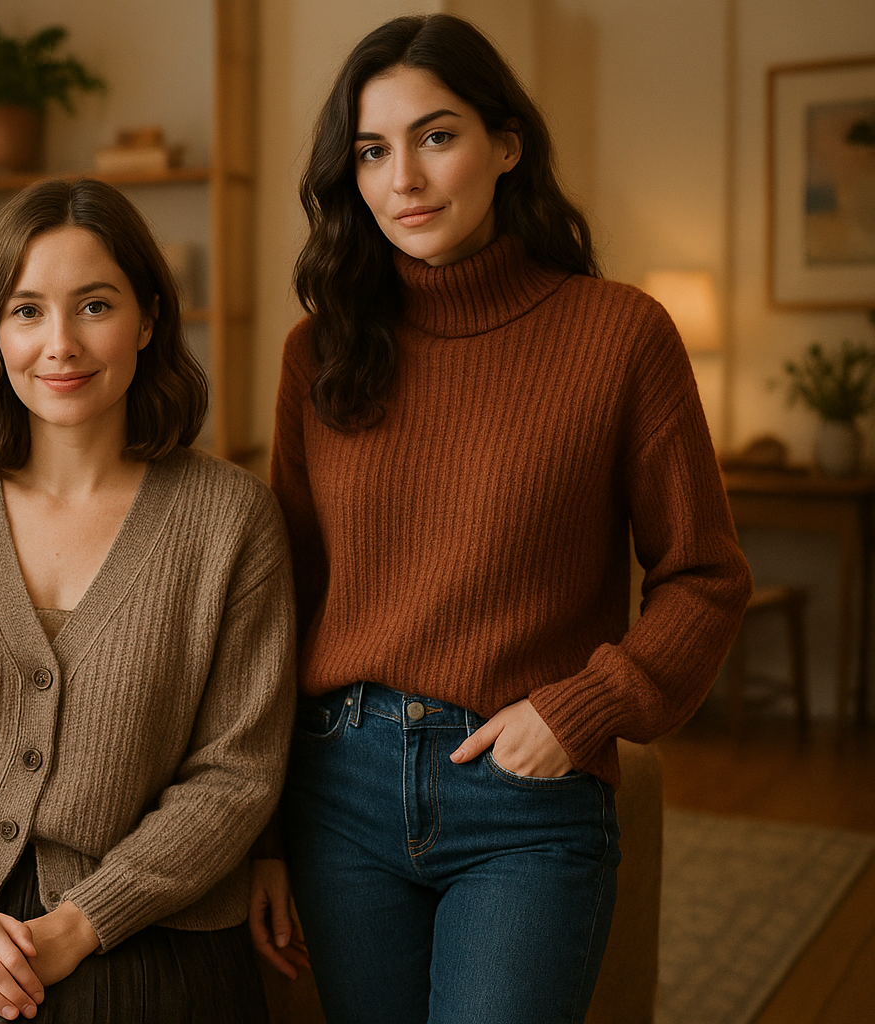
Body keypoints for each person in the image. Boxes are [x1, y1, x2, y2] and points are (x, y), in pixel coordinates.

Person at [247, 14, 752, 1024]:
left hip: (524, 798)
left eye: (436, 136)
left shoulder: (620, 335)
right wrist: (261, 833)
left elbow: (705, 577)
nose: (405, 179)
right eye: (372, 151)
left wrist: (586, 709)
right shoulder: (320, 353)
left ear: (506, 144)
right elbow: (283, 602)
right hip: (337, 786)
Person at [0, 177, 295, 1023]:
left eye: (94, 305)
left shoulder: (231, 518)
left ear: (148, 318)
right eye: (27, 310)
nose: (59, 343)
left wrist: (81, 924)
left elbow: (234, 775)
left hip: (149, 923)